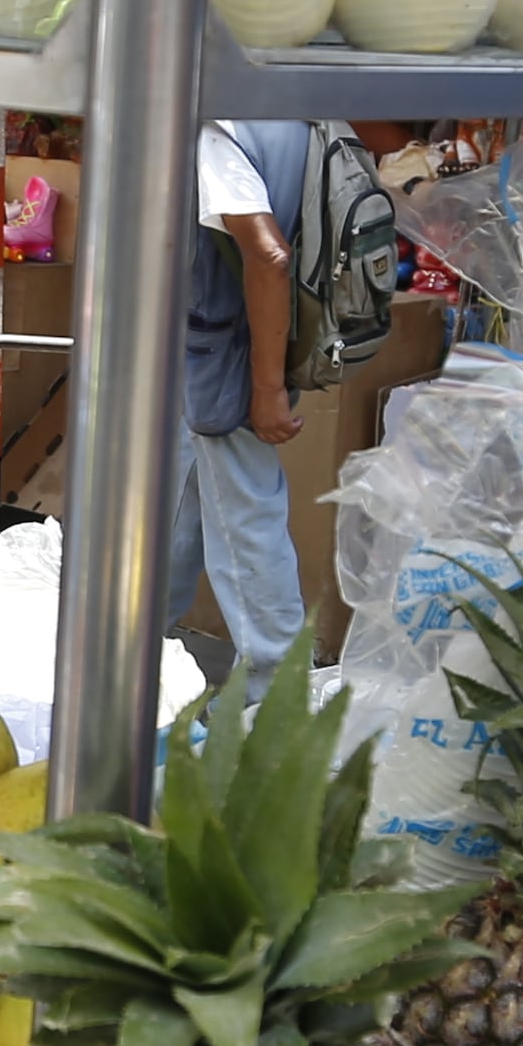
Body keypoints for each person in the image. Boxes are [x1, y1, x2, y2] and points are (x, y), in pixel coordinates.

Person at [169, 118, 311, 692]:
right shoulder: (301, 121)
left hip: (229, 352)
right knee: (181, 504)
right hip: (250, 343)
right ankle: (136, 646)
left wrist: (267, 388)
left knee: (247, 520)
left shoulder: (217, 135)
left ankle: (275, 695)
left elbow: (268, 254)